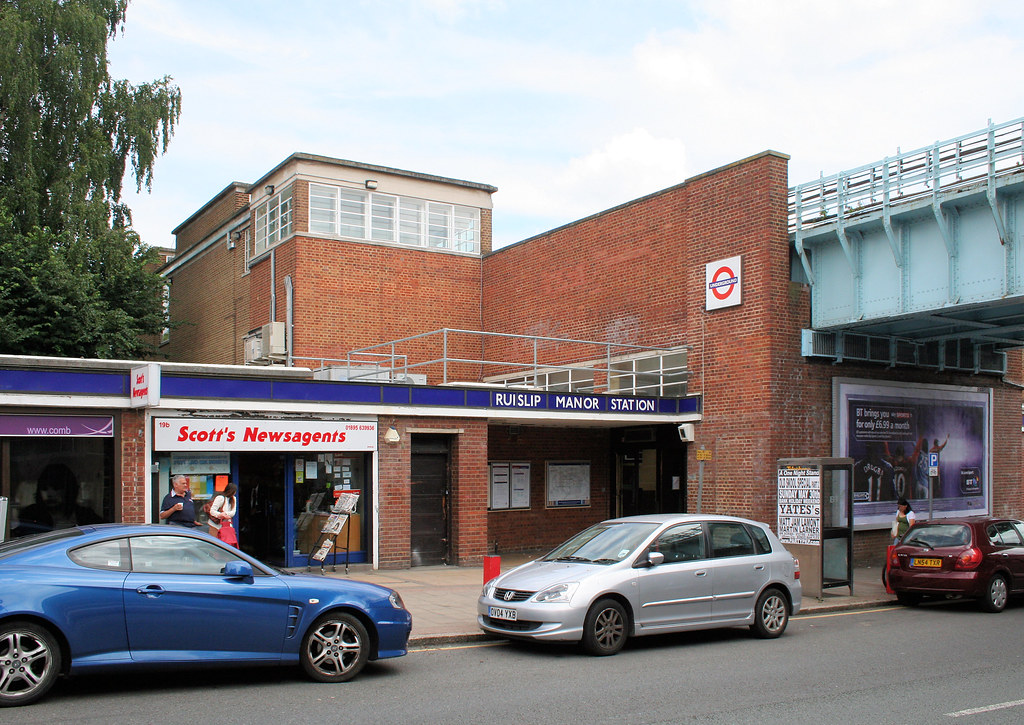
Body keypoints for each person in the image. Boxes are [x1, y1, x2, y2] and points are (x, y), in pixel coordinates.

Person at [13, 463, 103, 537]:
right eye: (44, 488)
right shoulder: (30, 515)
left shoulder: (84, 516)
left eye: (56, 488)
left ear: (68, 489)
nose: (50, 494)